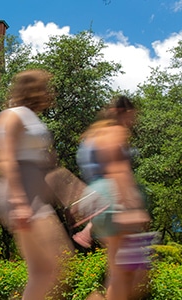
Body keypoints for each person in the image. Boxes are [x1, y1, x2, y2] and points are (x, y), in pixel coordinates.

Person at [0, 69, 73, 299]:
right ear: (32, 89)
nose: (49, 93)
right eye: (44, 88)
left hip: (33, 194)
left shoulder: (31, 117)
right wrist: (19, 202)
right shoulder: (12, 115)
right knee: (58, 263)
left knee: (45, 271)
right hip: (22, 194)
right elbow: (4, 157)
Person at [75, 95, 152, 299]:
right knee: (131, 271)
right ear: (123, 112)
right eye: (132, 116)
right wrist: (131, 207)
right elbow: (117, 169)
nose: (132, 121)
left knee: (124, 270)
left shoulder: (93, 135)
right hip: (113, 200)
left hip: (98, 201)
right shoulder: (114, 131)